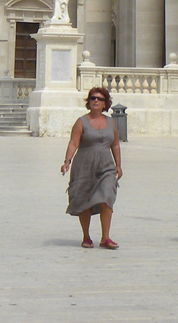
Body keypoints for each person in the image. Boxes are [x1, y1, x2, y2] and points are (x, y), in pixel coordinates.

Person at [60, 86, 123, 249]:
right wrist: (67, 160)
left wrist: (118, 165)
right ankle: (86, 236)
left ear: (105, 104)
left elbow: (115, 144)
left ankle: (105, 237)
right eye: (93, 98)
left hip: (106, 166)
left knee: (107, 198)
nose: (96, 101)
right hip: (85, 165)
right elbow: (74, 143)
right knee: (85, 200)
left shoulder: (111, 122)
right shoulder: (81, 122)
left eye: (100, 99)